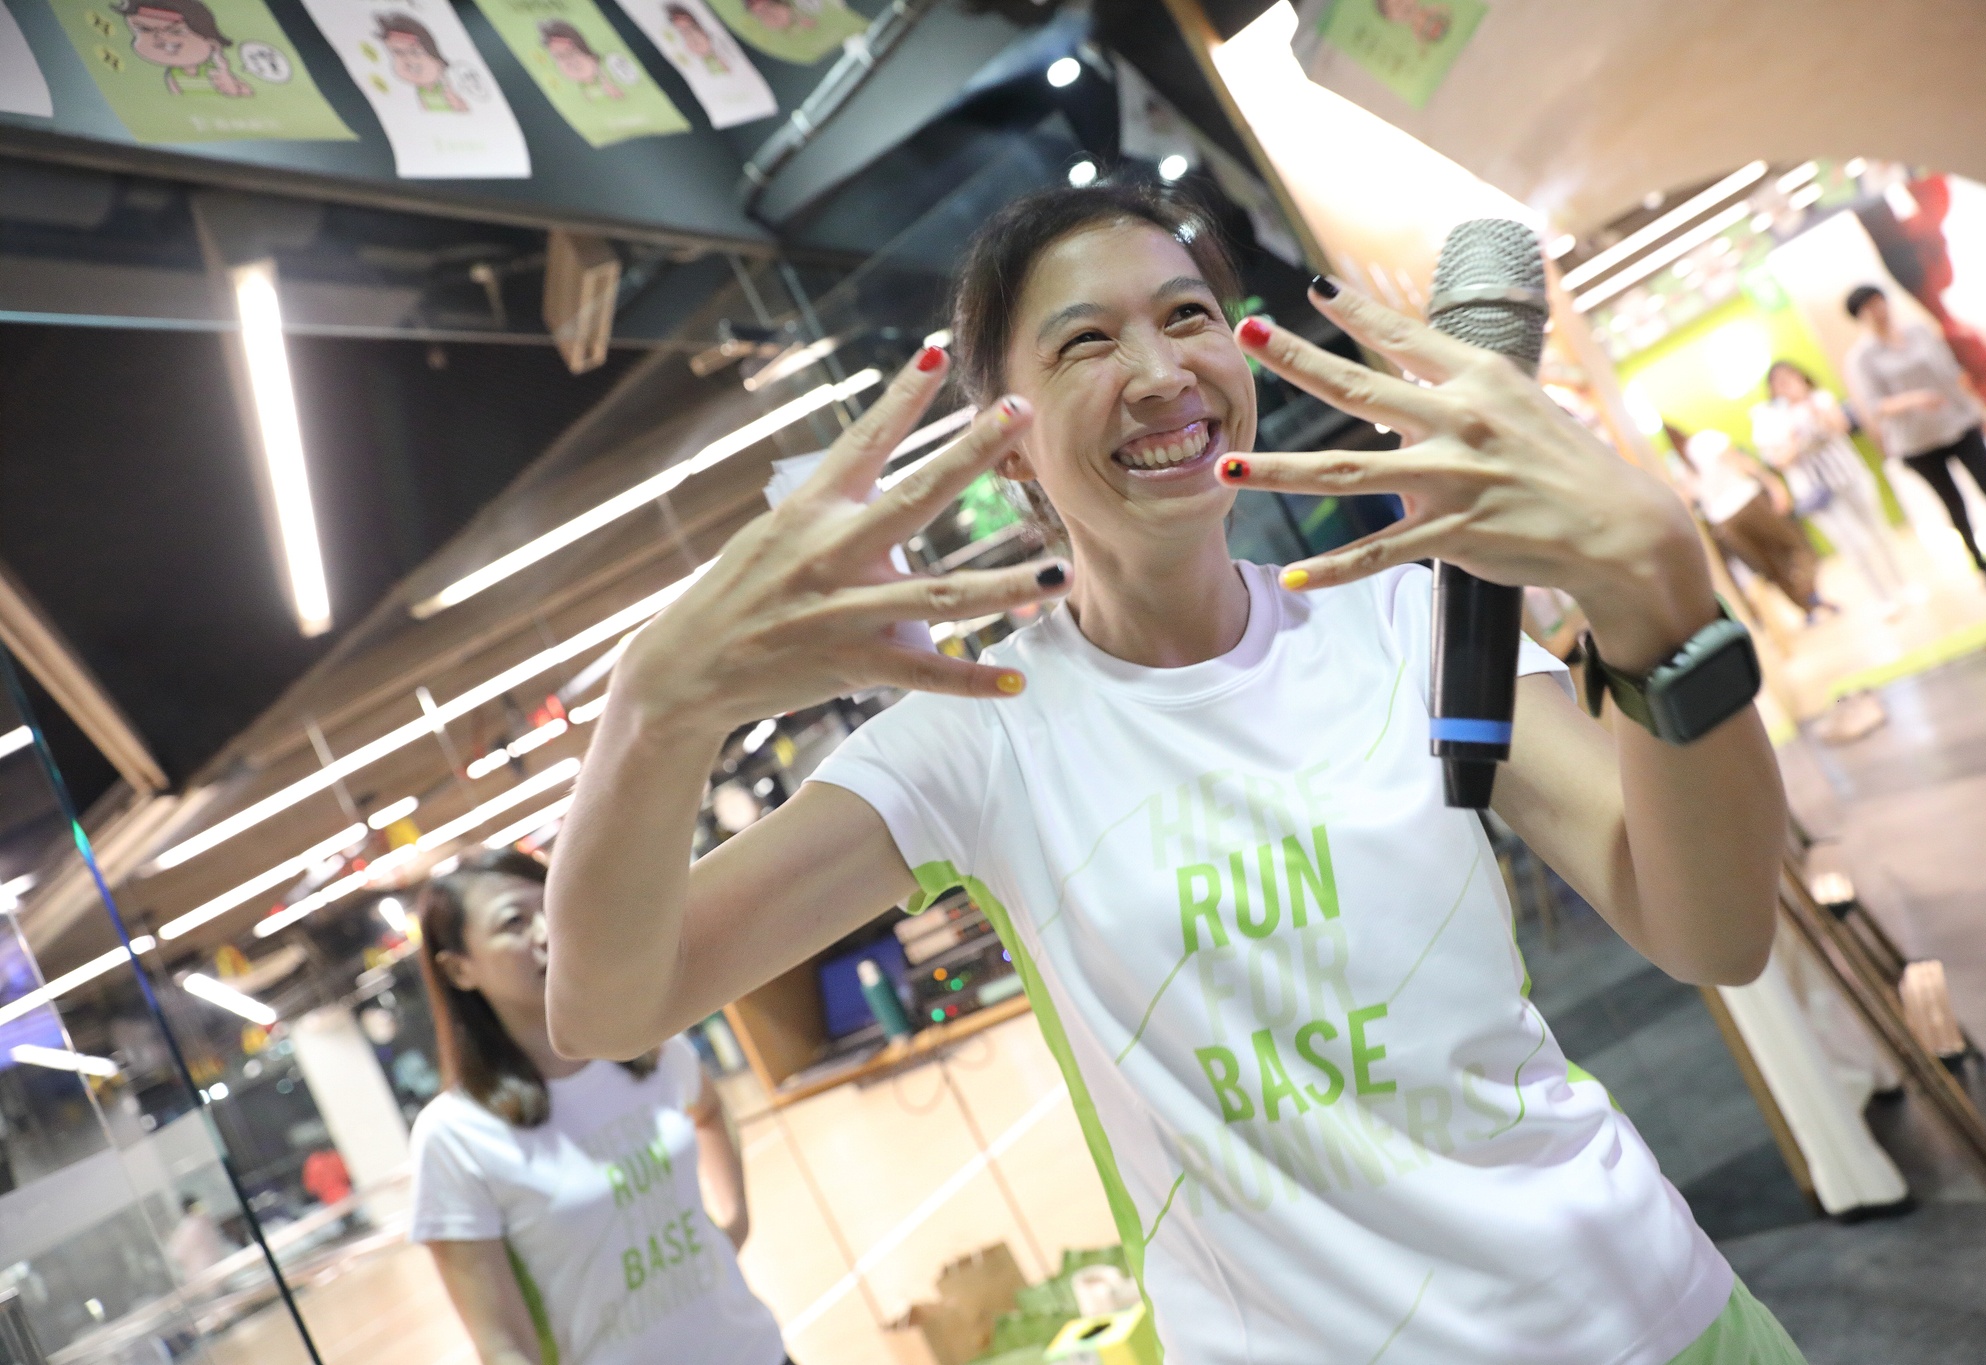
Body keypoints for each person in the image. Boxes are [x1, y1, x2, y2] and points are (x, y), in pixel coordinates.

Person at [545, 182, 1800, 1365]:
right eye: (1085, 342)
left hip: (1644, 1316)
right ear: (1006, 445)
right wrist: (652, 711)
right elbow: (608, 1009)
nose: (1158, 375)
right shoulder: (979, 735)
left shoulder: (1405, 623)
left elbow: (1710, 929)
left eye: (1189, 315)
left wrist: (1660, 607)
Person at [409, 849, 785, 1365]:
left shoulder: (648, 1049)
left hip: (755, 1351)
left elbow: (710, 1112)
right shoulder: (455, 1135)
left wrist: (735, 1219)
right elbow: (500, 1345)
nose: (548, 933)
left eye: (554, 907)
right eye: (514, 922)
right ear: (459, 969)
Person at [1841, 284, 1986, 583]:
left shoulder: (1918, 332)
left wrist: (1976, 412)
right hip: (1917, 442)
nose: (1878, 310)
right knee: (1954, 504)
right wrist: (1913, 399)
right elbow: (1873, 406)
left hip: (1957, 423)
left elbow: (1950, 375)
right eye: (1869, 307)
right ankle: (1982, 565)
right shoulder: (1861, 358)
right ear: (1860, 315)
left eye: (1879, 301)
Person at [1750, 361, 1909, 612]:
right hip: (1815, 491)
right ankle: (1883, 599)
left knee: (1878, 530)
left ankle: (1903, 585)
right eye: (1779, 383)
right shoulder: (1770, 419)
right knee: (1854, 546)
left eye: (1790, 378)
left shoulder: (1820, 399)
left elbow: (1841, 426)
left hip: (1848, 475)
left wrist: (1813, 410)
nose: (1787, 386)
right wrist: (1793, 435)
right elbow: (1778, 460)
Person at [1668, 423, 1826, 620]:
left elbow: (1687, 499)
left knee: (1769, 566)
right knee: (1797, 545)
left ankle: (1807, 606)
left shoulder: (1678, 466)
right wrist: (1773, 484)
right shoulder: (1706, 439)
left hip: (1724, 522)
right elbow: (1741, 462)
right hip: (1749, 502)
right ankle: (1809, 592)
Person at [112, 0, 251, 98]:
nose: (160, 38)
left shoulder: (216, 70)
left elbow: (247, 94)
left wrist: (227, 78)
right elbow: (175, 98)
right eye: (144, 29)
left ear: (212, 43)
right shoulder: (174, 76)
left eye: (176, 31)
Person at [375, 12, 468, 112]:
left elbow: (465, 109)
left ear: (436, 58)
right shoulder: (420, 91)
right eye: (398, 53)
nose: (408, 59)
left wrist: (459, 105)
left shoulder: (448, 85)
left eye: (415, 52)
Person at [538, 20, 623, 100]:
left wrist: (607, 84)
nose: (569, 61)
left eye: (570, 52)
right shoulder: (573, 85)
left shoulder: (607, 69)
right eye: (559, 56)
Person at [166, 1194, 233, 1283]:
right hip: (206, 1273)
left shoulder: (195, 1224)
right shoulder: (193, 1225)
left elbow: (176, 1254)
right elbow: (177, 1254)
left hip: (212, 1271)